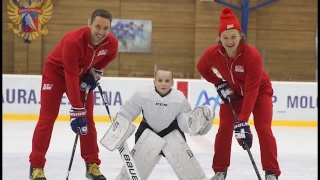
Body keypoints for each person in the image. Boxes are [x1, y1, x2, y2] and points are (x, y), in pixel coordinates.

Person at [29, 9, 118, 180]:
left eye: (105, 28)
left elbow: (110, 56)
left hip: (80, 74)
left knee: (89, 121)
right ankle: (36, 166)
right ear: (89, 24)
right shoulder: (73, 41)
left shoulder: (111, 43)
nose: (101, 32)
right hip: (56, 73)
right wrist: (77, 110)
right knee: (47, 118)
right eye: (98, 26)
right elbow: (70, 76)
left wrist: (95, 72)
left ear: (110, 29)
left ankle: (92, 165)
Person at [196, 7, 281, 180]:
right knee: (224, 129)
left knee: (263, 128)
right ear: (219, 38)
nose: (229, 41)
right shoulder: (213, 53)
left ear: (241, 36)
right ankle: (220, 171)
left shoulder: (252, 56)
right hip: (233, 93)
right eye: (225, 37)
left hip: (259, 92)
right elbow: (202, 68)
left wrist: (242, 121)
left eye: (233, 36)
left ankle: (271, 172)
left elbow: (251, 90)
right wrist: (219, 83)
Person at [100, 68, 213, 180]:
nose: (163, 84)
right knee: (135, 169)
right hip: (147, 133)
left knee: (188, 169)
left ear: (172, 82)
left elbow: (184, 121)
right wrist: (119, 127)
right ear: (154, 81)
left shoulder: (179, 98)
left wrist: (194, 126)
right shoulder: (142, 94)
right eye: (160, 80)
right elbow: (128, 111)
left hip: (172, 134)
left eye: (167, 81)